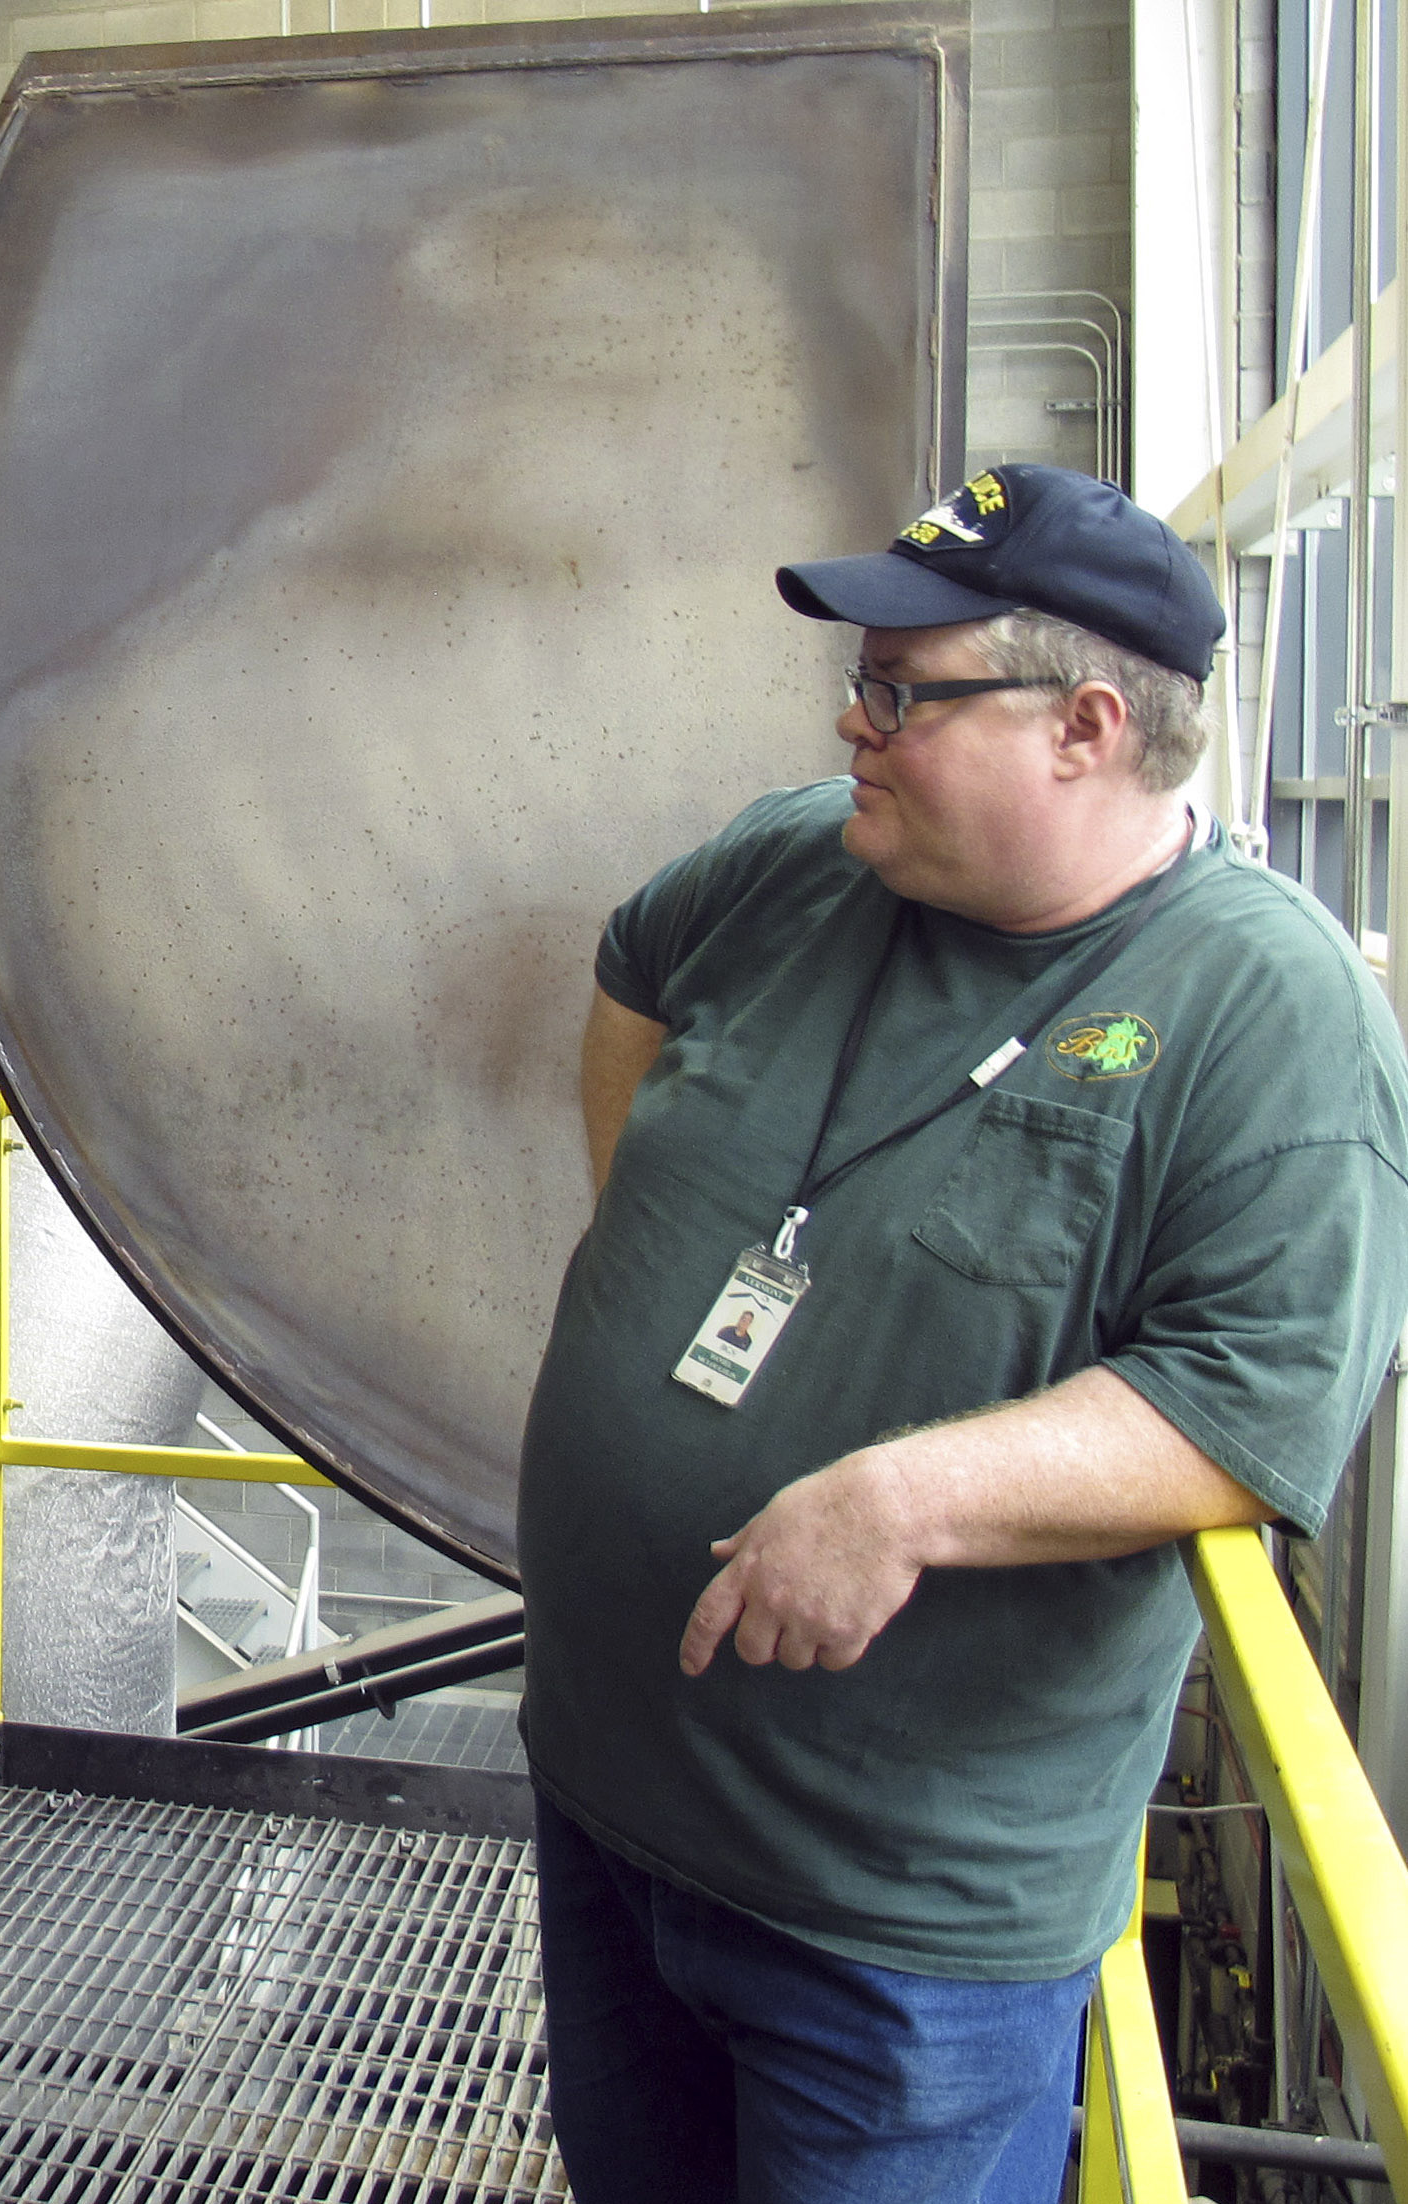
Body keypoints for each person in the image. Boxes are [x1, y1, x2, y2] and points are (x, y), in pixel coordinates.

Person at [518, 462, 1408, 2203]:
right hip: (610, 1799)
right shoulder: (798, 866)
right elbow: (632, 968)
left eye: (901, 694)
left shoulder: (1272, 1021)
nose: (853, 726)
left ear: (1082, 725)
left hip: (892, 1936)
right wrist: (648, 1234)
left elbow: (1251, 1405)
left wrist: (902, 1501)